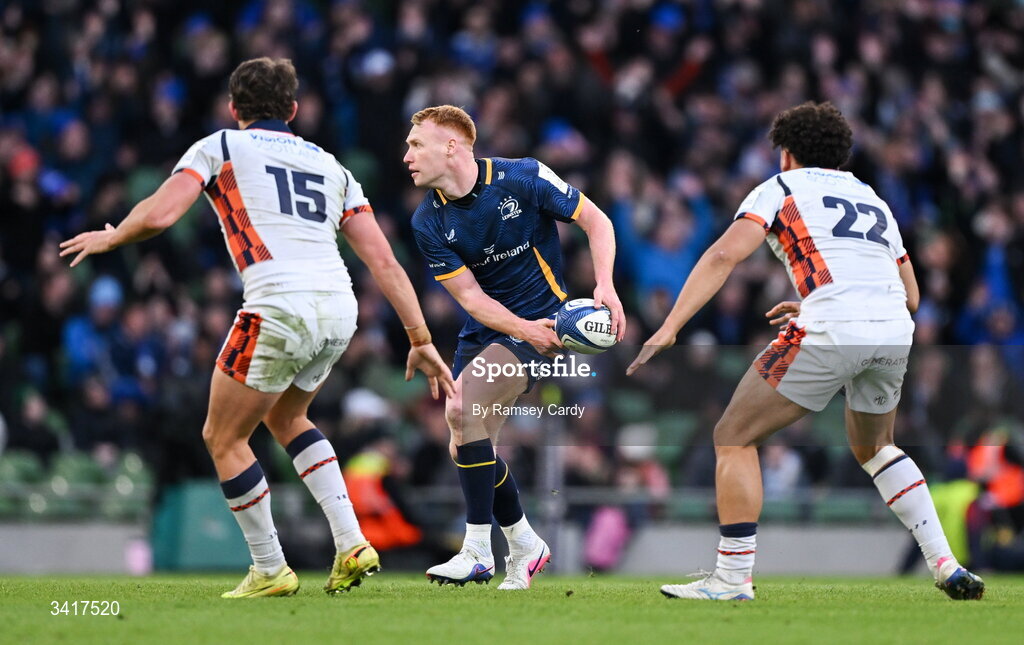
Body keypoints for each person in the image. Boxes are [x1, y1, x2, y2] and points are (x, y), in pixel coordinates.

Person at [60, 58, 455, 598]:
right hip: (340, 308)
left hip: (279, 304)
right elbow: (385, 261)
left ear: (233, 108)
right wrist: (421, 338)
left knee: (222, 437)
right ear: (293, 110)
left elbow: (159, 215)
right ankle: (352, 541)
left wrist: (112, 237)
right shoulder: (331, 165)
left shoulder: (220, 146)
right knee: (289, 416)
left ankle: (269, 566)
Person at [627, 101, 985, 601]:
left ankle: (731, 579)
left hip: (835, 328)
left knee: (733, 435)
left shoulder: (780, 188)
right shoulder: (871, 197)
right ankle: (945, 563)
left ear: (788, 154)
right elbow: (913, 296)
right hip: (892, 331)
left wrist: (669, 326)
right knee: (876, 447)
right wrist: (821, 299)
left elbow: (724, 254)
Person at [404, 105, 625, 589]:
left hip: (545, 324)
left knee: (463, 406)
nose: (407, 156)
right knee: (465, 438)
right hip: (489, 329)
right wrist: (518, 328)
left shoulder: (521, 176)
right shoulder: (427, 221)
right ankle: (525, 544)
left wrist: (604, 285)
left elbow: (598, 221)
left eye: (416, 144)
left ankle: (477, 550)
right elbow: (470, 298)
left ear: (452, 146)